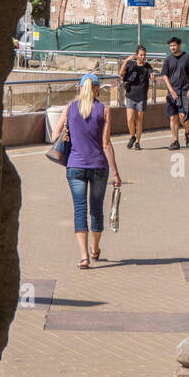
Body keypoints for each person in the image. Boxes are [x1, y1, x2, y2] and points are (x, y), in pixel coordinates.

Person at [53, 73, 122, 269]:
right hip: (99, 166)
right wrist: (116, 173)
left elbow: (54, 135)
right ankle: (94, 248)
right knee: (96, 209)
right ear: (97, 89)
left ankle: (84, 257)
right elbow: (106, 144)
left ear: (81, 88)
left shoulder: (70, 109)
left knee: (80, 209)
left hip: (74, 166)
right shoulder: (104, 110)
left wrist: (69, 127)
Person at [160, 36, 189, 149]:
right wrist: (171, 90)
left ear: (179, 45)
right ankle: (175, 141)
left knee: (183, 116)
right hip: (172, 93)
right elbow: (164, 75)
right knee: (173, 117)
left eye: (174, 45)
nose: (172, 47)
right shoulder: (167, 60)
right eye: (171, 45)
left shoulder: (187, 58)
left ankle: (187, 133)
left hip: (184, 92)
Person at [119, 44, 154, 150]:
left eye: (144, 55)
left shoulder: (147, 66)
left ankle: (138, 141)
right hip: (130, 95)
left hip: (142, 97)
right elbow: (121, 73)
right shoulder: (130, 65)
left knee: (139, 120)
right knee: (129, 119)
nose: (143, 57)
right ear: (136, 55)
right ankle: (132, 136)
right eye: (141, 55)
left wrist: (152, 77)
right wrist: (126, 61)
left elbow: (151, 75)